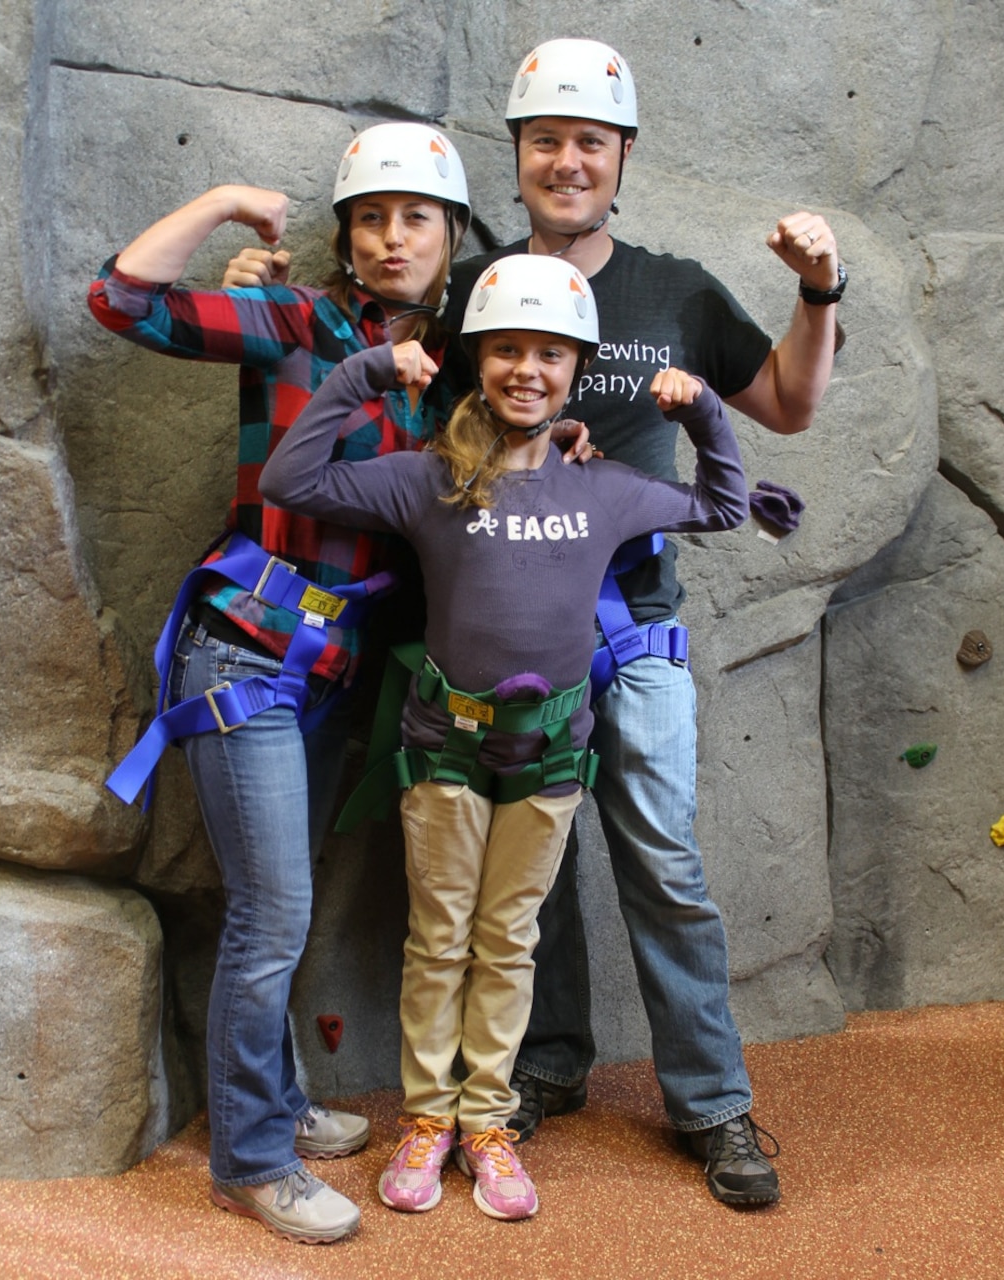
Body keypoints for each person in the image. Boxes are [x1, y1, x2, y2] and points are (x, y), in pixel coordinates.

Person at [437, 38, 846, 1208]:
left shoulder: (669, 290)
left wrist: (815, 291)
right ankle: (547, 1062)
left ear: (621, 159)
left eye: (589, 144)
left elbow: (790, 404)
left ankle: (710, 1099)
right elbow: (426, 438)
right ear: (514, 156)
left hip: (635, 623)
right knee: (531, 865)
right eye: (544, 142)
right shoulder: (472, 290)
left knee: (660, 855)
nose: (567, 163)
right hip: (504, 623)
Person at [258, 253, 749, 1221]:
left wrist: (699, 413)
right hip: (443, 752)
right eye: (508, 350)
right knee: (436, 940)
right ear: (478, 359)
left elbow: (725, 505)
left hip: (550, 762)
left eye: (550, 354)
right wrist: (362, 372)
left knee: (507, 940)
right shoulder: (427, 480)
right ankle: (427, 1116)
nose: (528, 369)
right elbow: (289, 475)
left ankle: (486, 1118)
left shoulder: (601, 485)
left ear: (575, 368)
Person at [87, 122, 473, 1245]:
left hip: (333, 668)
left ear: (452, 237)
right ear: (346, 238)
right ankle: (252, 1156)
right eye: (371, 217)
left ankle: (276, 1101)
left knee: (278, 903)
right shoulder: (297, 320)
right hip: (244, 648)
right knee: (270, 914)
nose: (392, 237)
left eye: (416, 218)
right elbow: (122, 301)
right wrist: (218, 204)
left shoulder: (454, 370)